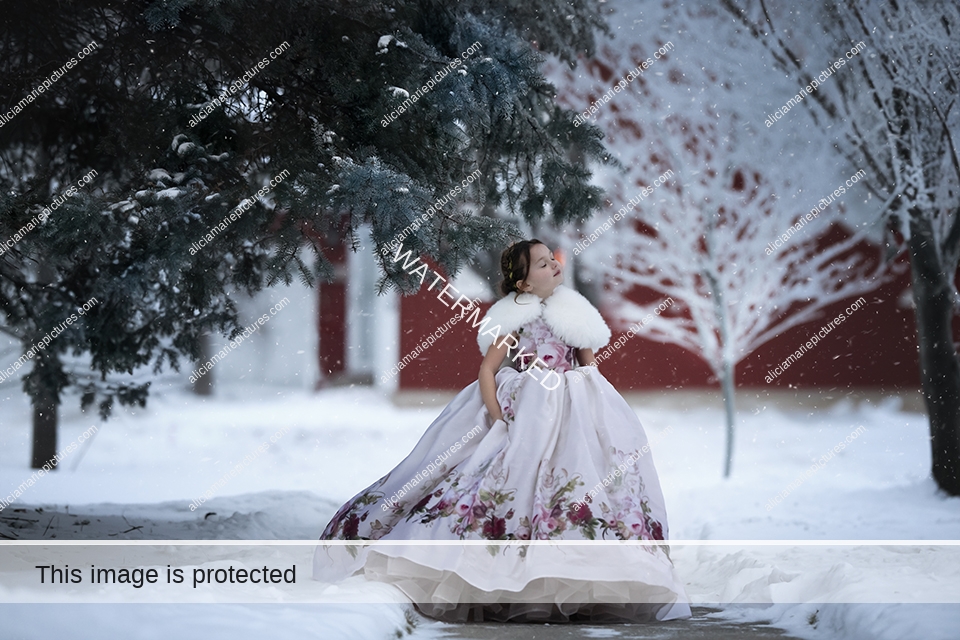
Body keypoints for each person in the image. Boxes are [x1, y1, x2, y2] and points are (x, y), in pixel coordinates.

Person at [313, 239, 692, 623]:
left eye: (552, 260)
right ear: (524, 285)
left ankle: (577, 567)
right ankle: (495, 567)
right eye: (542, 265)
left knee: (575, 475)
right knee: (511, 474)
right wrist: (496, 412)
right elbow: (487, 370)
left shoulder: (574, 313)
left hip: (571, 406)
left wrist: (595, 406)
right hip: (525, 403)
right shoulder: (515, 318)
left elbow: (589, 365)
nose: (554, 266)